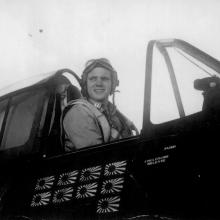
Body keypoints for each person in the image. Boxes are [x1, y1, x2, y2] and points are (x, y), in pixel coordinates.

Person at [62, 58, 138, 151]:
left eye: (104, 79)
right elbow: (97, 157)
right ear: (85, 84)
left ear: (113, 84)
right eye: (93, 79)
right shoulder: (78, 113)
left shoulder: (112, 112)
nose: (99, 83)